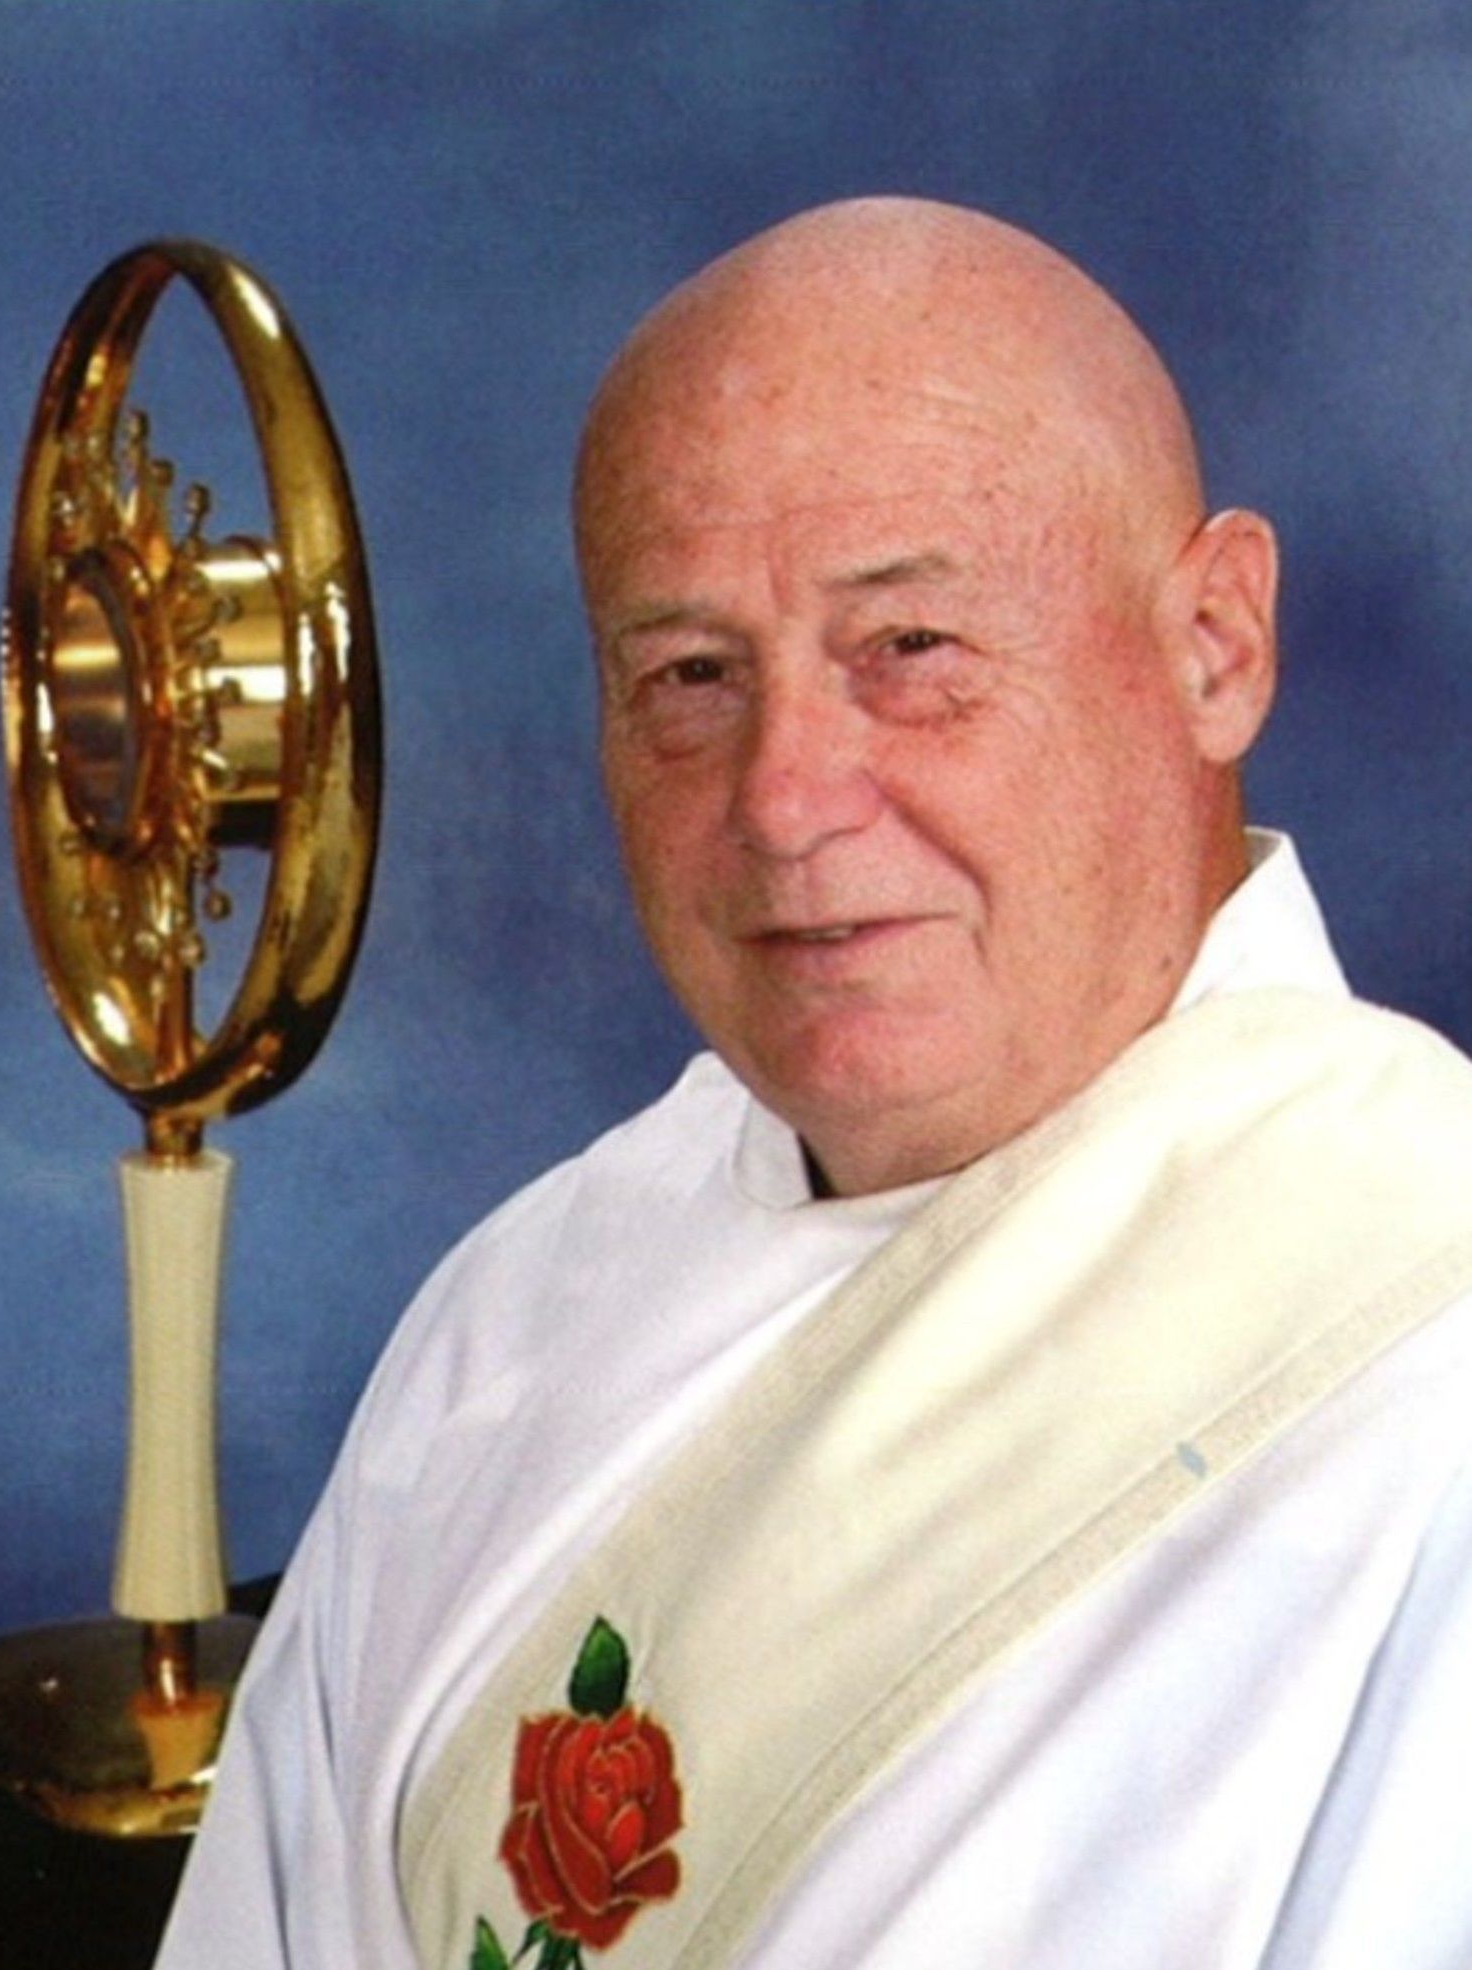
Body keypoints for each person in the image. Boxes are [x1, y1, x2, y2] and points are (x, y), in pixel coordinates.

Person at [156, 199, 1472, 1969]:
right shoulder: (512, 1315)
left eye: (909, 650)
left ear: (1214, 643)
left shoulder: (1420, 1350)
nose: (784, 797)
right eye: (690, 675)